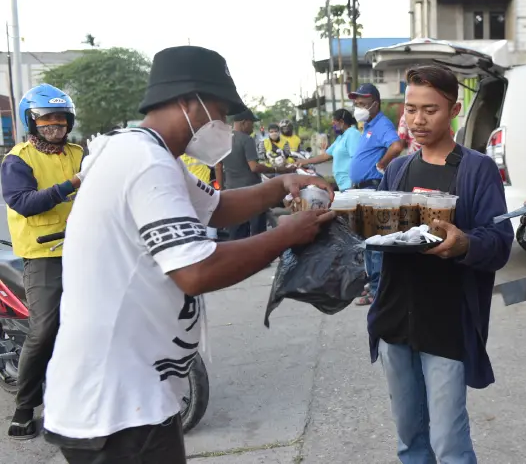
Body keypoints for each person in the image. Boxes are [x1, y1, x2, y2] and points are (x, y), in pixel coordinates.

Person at [41, 45, 335, 463]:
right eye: (219, 111)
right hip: (115, 408)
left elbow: (216, 207)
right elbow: (195, 271)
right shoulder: (144, 161)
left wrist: (279, 184)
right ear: (189, 103)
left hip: (133, 397)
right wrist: (288, 234)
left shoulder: (147, 154)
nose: (224, 125)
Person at [369, 65, 513, 463]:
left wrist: (464, 243)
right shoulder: (396, 170)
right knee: (410, 438)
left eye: (430, 109)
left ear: (455, 108)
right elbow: (377, 231)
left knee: (449, 440)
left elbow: (499, 242)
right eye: (411, 109)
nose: (417, 120)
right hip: (395, 320)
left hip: (447, 323)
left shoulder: (476, 169)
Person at [1, 84, 83, 440]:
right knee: (45, 329)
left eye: (60, 118)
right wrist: (72, 184)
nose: (55, 124)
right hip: (43, 255)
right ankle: (24, 407)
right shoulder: (18, 159)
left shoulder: (80, 152)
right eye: (46, 118)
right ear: (31, 121)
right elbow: (25, 202)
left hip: (86, 248)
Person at [348, 83, 405, 306]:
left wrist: (382, 164)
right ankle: (373, 283)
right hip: (363, 188)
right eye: (356, 104)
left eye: (362, 103)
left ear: (375, 104)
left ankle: (377, 289)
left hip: (373, 188)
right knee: (368, 242)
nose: (358, 107)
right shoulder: (368, 126)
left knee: (375, 242)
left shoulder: (381, 124)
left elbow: (397, 145)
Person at [220, 108, 276, 240]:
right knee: (258, 233)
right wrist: (274, 169)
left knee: (237, 231)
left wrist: (222, 189)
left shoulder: (224, 139)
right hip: (252, 192)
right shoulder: (247, 140)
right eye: (252, 123)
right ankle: (261, 259)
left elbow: (218, 166)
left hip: (232, 192)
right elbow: (254, 167)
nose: (253, 126)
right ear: (244, 122)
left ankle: (237, 258)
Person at [296, 109, 360, 191]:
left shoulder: (353, 134)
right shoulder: (341, 137)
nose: (333, 126)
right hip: (342, 183)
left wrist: (353, 182)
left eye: (334, 123)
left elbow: (355, 159)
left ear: (341, 122)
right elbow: (325, 156)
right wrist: (304, 162)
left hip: (350, 183)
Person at [179, 154, 219, 239]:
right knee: (211, 212)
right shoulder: (200, 154)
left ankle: (199, 236)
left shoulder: (181, 158)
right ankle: (212, 237)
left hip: (190, 189)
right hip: (205, 187)